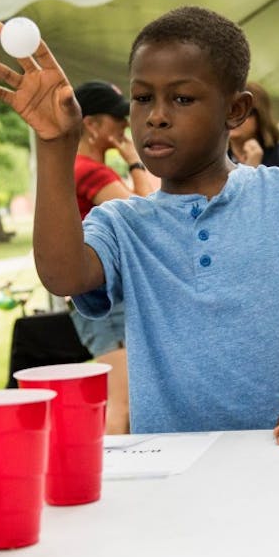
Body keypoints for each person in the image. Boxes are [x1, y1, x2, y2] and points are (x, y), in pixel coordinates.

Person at [0, 5, 279, 445]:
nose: (156, 115)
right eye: (142, 98)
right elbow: (62, 275)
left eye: (181, 98)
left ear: (236, 109)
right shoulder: (123, 222)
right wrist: (56, 146)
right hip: (171, 467)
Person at [70, 80, 156, 435]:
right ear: (90, 124)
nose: (125, 124)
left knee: (123, 406)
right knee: (119, 409)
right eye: (116, 117)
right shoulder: (89, 171)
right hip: (106, 302)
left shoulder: (77, 168)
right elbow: (148, 218)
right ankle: (112, 486)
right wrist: (136, 161)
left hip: (100, 301)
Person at [227, 81, 279, 176]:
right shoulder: (215, 162)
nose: (234, 117)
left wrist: (255, 172)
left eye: (243, 111)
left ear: (261, 116)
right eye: (228, 110)